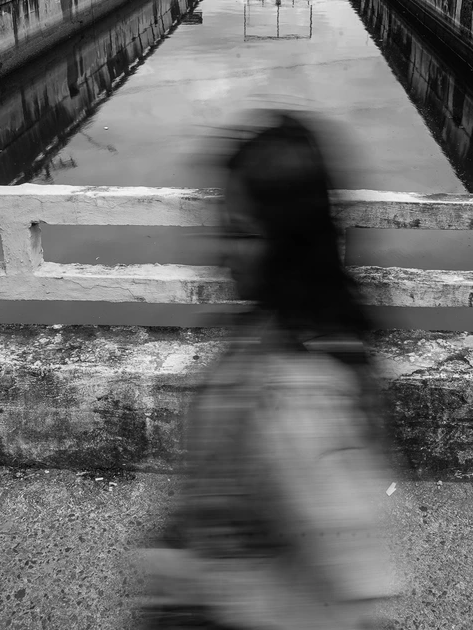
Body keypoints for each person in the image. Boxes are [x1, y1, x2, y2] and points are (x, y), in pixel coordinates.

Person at [139, 112, 399, 630]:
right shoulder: (271, 332)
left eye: (241, 233)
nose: (222, 250)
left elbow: (352, 575)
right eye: (223, 227)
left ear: (288, 243)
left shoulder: (302, 398)